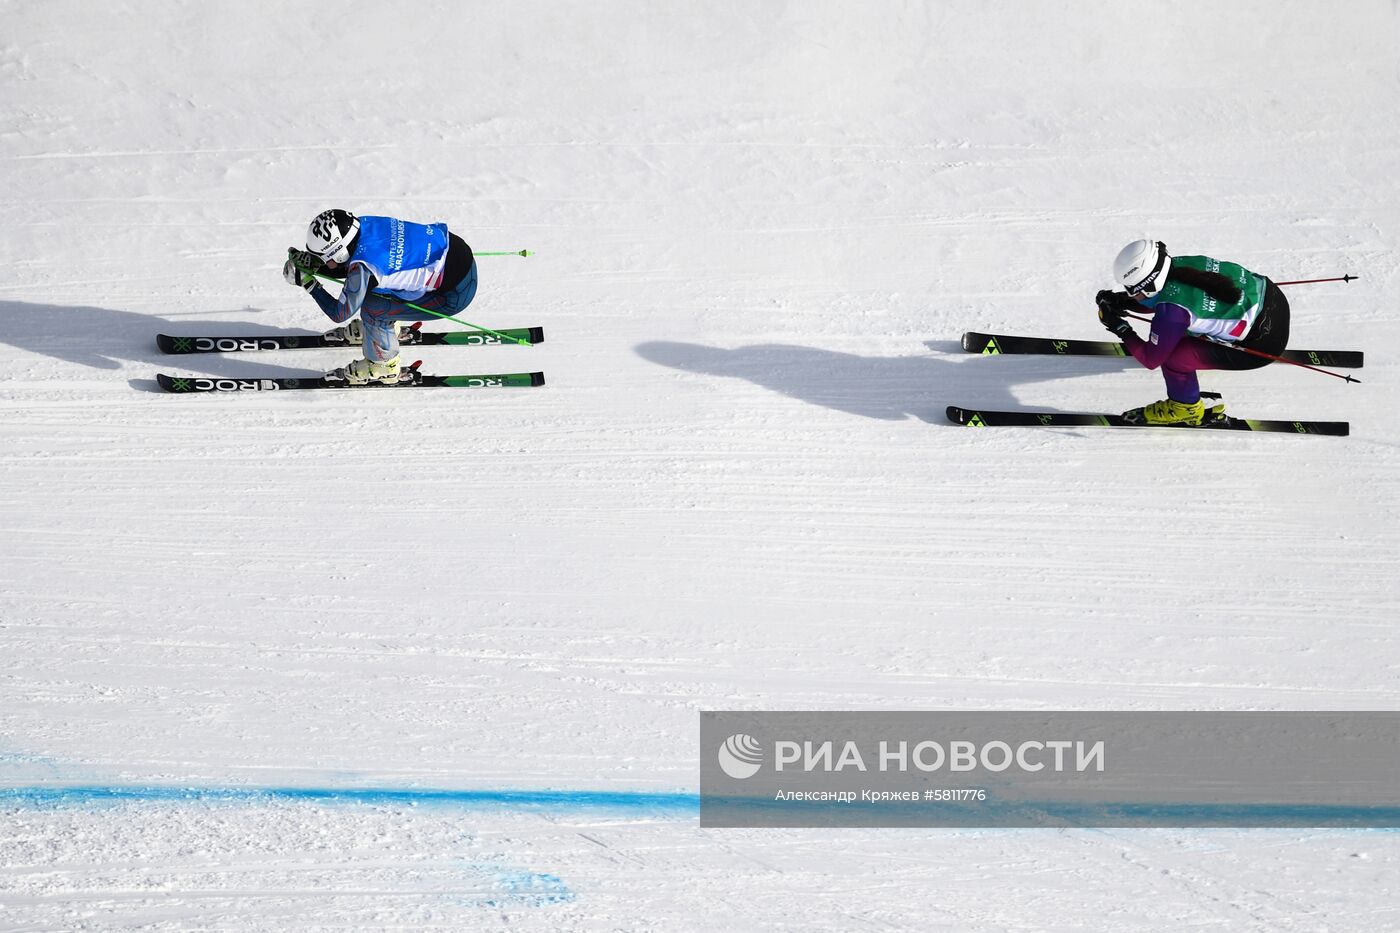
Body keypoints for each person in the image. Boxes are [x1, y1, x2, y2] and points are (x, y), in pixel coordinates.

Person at [1095, 239, 1290, 424]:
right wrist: (1121, 302)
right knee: (1179, 328)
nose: (1130, 294)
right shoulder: (1181, 264)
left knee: (1173, 359)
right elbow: (1170, 294)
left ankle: (1185, 408)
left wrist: (1120, 328)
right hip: (1273, 299)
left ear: (1150, 283)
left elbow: (1151, 359)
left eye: (1131, 290)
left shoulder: (1171, 313)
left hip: (1264, 344)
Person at [282, 209, 478, 384]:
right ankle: (378, 331)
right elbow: (352, 263)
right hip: (452, 250)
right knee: (372, 287)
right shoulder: (362, 225)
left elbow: (339, 313)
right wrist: (316, 265)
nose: (324, 262)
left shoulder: (364, 266)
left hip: (454, 294)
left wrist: (309, 283)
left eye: (324, 257)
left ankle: (384, 366)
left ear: (340, 253)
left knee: (372, 309)